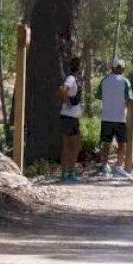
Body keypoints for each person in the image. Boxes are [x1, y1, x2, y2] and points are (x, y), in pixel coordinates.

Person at [97, 58, 133, 179]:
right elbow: (130, 99)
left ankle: (105, 166)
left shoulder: (104, 81)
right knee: (122, 143)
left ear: (112, 68)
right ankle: (119, 167)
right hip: (120, 117)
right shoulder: (125, 82)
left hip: (106, 116)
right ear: (123, 69)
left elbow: (98, 95)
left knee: (106, 143)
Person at [59, 56, 84, 184]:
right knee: (73, 146)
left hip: (69, 117)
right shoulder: (71, 78)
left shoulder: (74, 79)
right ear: (78, 67)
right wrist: (66, 101)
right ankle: (69, 173)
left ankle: (66, 173)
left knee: (70, 146)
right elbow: (63, 89)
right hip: (69, 118)